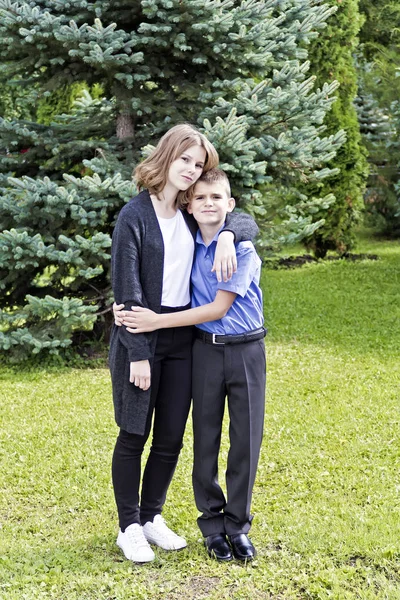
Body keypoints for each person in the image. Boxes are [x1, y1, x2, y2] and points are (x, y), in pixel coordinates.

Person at [109, 125, 258, 564]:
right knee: (135, 433)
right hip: (142, 338)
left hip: (184, 341)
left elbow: (240, 217)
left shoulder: (192, 212)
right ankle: (129, 526)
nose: (192, 171)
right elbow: (127, 288)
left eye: (198, 165)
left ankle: (153, 516)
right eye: (186, 160)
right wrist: (138, 353)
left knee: (171, 436)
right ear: (167, 156)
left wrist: (230, 234)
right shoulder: (134, 216)